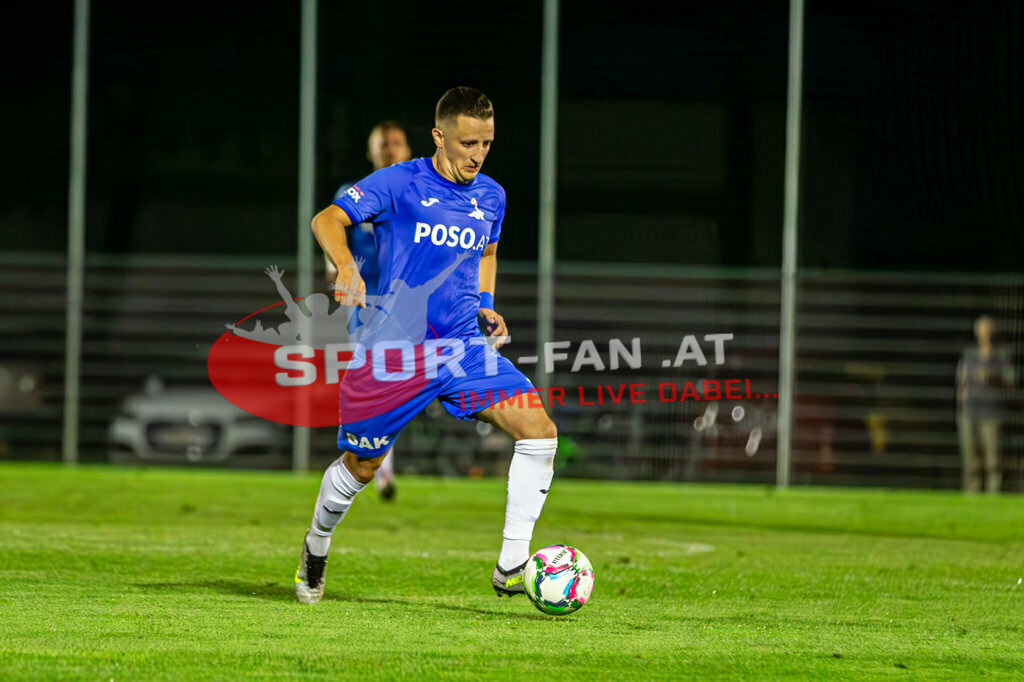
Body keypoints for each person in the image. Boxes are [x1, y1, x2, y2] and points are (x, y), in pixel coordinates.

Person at [296, 87, 558, 605]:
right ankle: (316, 543)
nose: (477, 154)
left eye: (486, 143)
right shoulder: (400, 182)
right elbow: (326, 219)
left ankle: (510, 566)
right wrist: (347, 266)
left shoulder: (492, 196)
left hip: (461, 346)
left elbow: (487, 250)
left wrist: (485, 300)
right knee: (363, 468)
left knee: (539, 430)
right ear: (440, 137)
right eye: (467, 143)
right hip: (391, 352)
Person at [327, 121, 413, 501]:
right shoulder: (352, 195)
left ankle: (373, 461)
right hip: (367, 307)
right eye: (383, 144)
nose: (391, 149)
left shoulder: (420, 196)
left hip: (411, 308)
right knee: (381, 386)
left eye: (396, 143)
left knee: (395, 389)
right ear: (371, 152)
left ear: (408, 150)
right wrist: (337, 270)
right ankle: (376, 467)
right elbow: (334, 239)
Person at [956, 315, 1015, 494]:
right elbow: (961, 378)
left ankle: (993, 495)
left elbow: (1011, 380)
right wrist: (961, 398)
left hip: (991, 413)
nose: (984, 334)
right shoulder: (970, 354)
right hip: (969, 412)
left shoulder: (1001, 355)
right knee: (970, 458)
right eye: (981, 331)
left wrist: (990, 377)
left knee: (993, 460)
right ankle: (971, 495)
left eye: (987, 331)